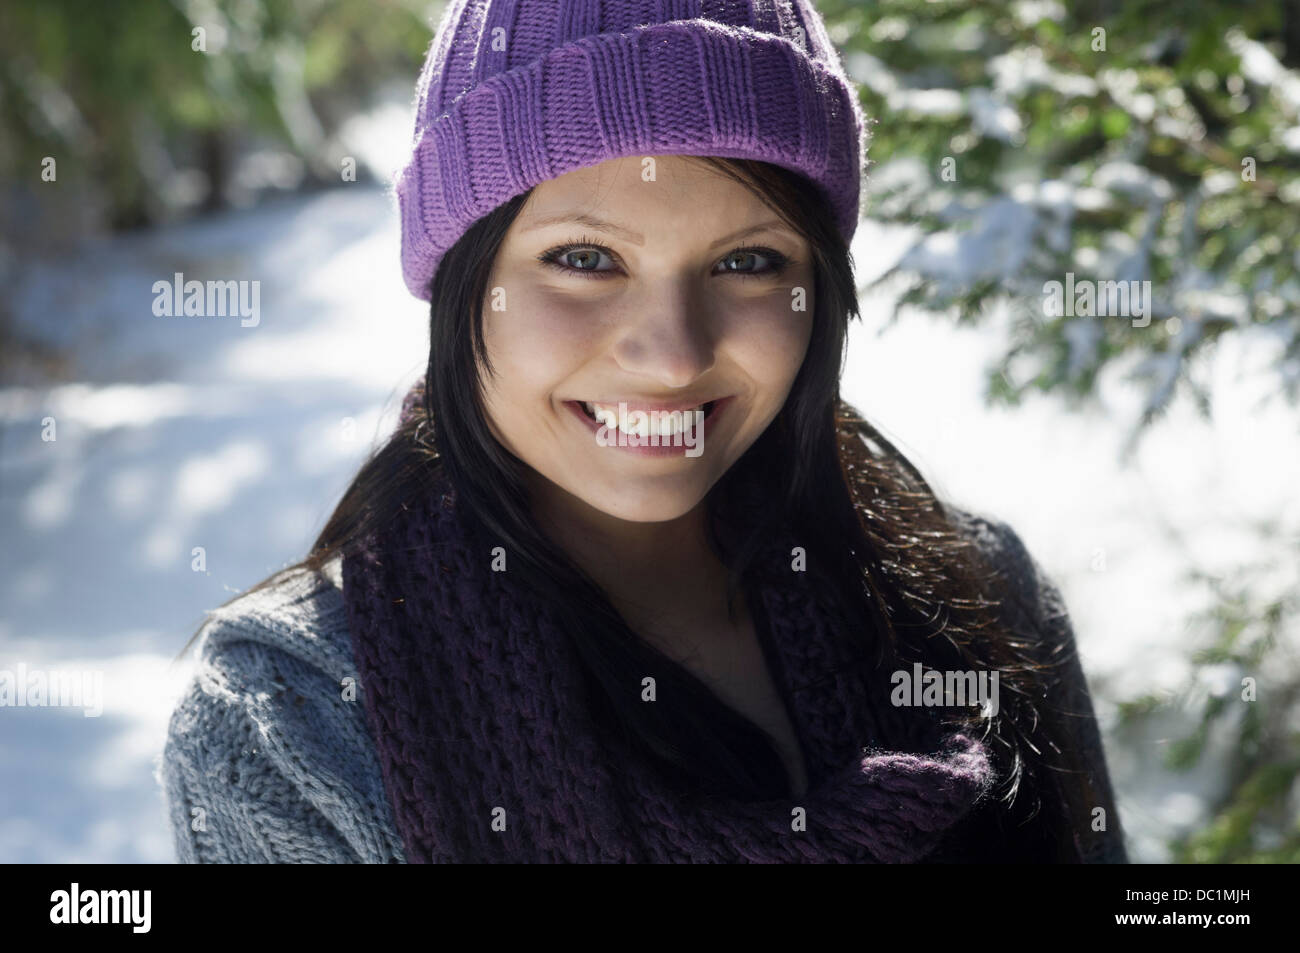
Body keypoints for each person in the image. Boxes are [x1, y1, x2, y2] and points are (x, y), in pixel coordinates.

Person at [159, 0, 1127, 863]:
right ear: (462, 282)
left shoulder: (979, 594)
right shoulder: (291, 718)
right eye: (585, 258)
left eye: (747, 260)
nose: (671, 356)